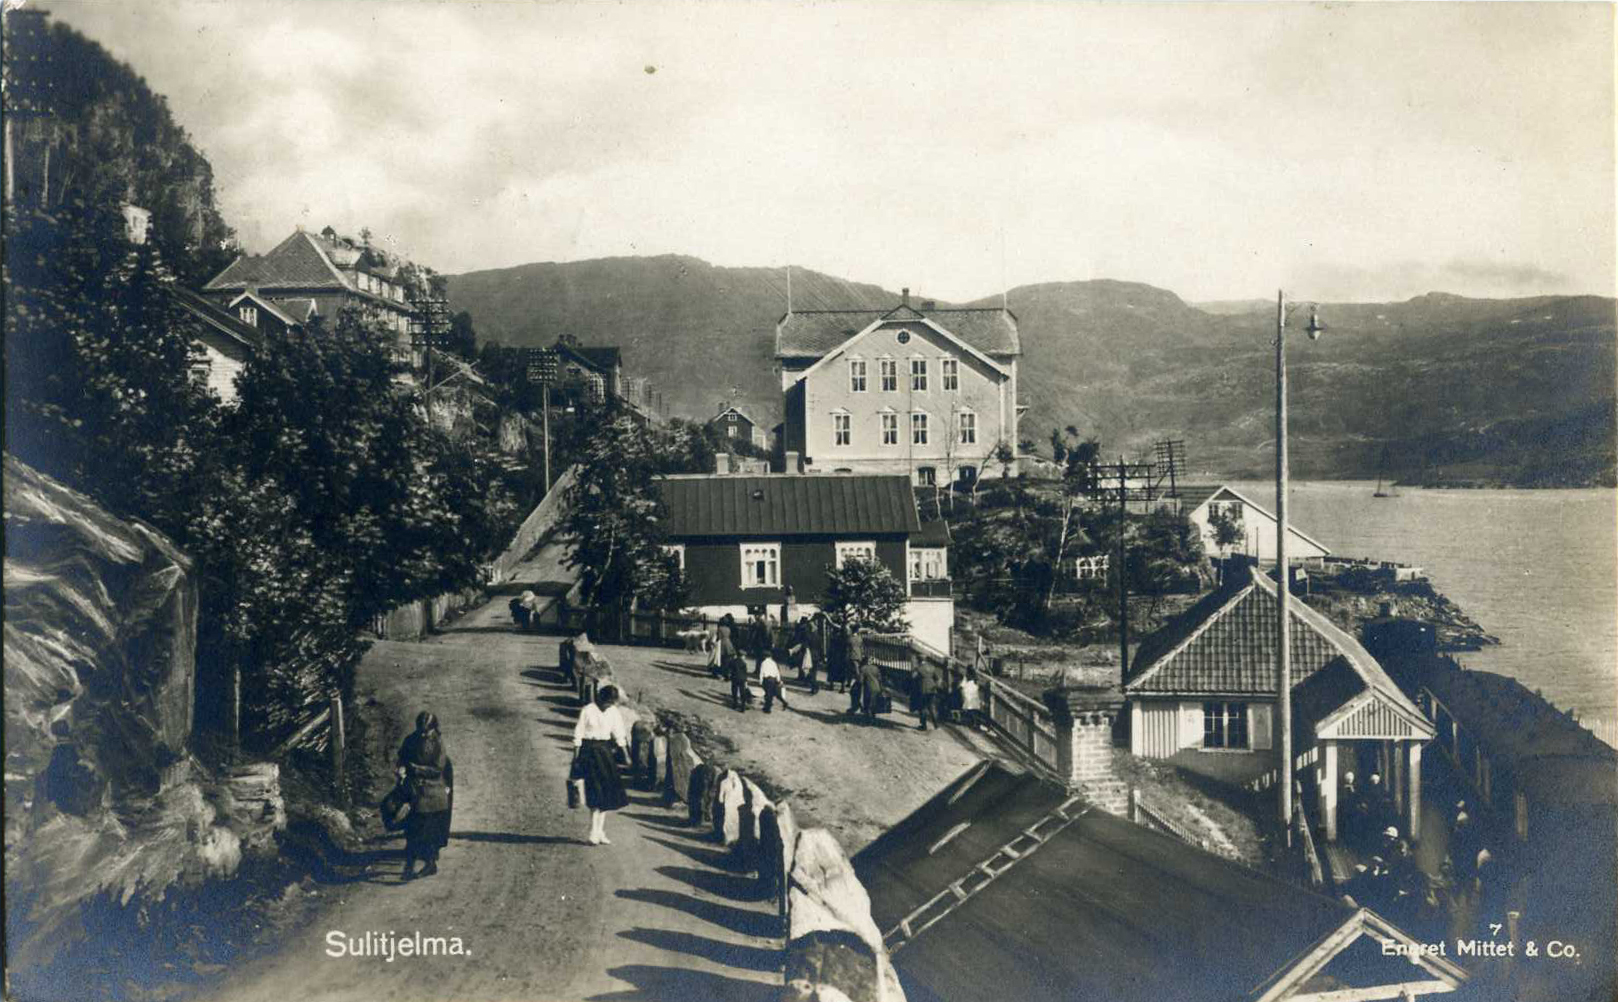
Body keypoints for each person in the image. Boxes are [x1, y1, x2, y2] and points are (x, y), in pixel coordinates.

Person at [396, 711, 453, 880]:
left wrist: (416, 769)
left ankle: (428, 863)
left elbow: (437, 769)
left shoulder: (438, 742)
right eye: (420, 730)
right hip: (413, 785)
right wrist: (401, 768)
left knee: (424, 823)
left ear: (433, 729)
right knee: (400, 814)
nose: (423, 734)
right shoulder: (411, 739)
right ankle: (414, 859)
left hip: (433, 786)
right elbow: (402, 757)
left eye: (426, 731)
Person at [572, 684, 630, 845]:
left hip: (604, 754)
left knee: (605, 794)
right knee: (594, 793)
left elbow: (619, 734)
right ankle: (592, 832)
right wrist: (576, 758)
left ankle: (600, 831)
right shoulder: (588, 710)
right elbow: (578, 733)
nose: (608, 705)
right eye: (607, 702)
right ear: (600, 698)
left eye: (612, 703)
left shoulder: (613, 712)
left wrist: (625, 755)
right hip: (589, 752)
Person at [759, 648, 790, 713]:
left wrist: (760, 680)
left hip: (767, 679)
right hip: (773, 680)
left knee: (768, 694)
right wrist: (779, 680)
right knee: (775, 693)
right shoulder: (773, 663)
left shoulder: (763, 663)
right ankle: (784, 702)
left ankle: (767, 709)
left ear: (764, 656)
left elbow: (762, 672)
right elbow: (777, 672)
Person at [913, 661, 940, 731]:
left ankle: (923, 726)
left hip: (923, 690)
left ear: (918, 660)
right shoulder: (932, 667)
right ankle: (936, 725)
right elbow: (937, 679)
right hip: (932, 690)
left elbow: (913, 677)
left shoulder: (919, 668)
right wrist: (935, 686)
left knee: (922, 707)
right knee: (932, 707)